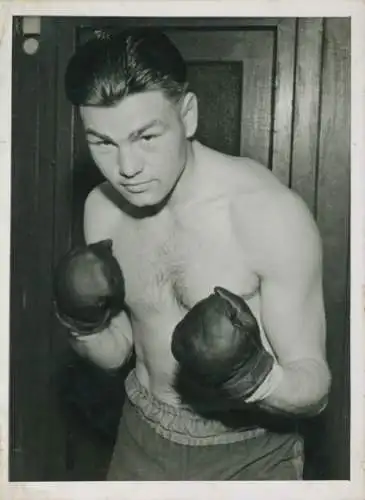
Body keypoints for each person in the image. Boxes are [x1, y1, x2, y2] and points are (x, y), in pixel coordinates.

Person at [60, 27, 331, 481]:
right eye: (103, 143)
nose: (126, 169)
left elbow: (315, 385)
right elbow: (118, 352)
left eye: (146, 136)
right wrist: (81, 325)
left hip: (250, 453)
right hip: (140, 435)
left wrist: (253, 376)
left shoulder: (268, 214)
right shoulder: (102, 210)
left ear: (187, 115)